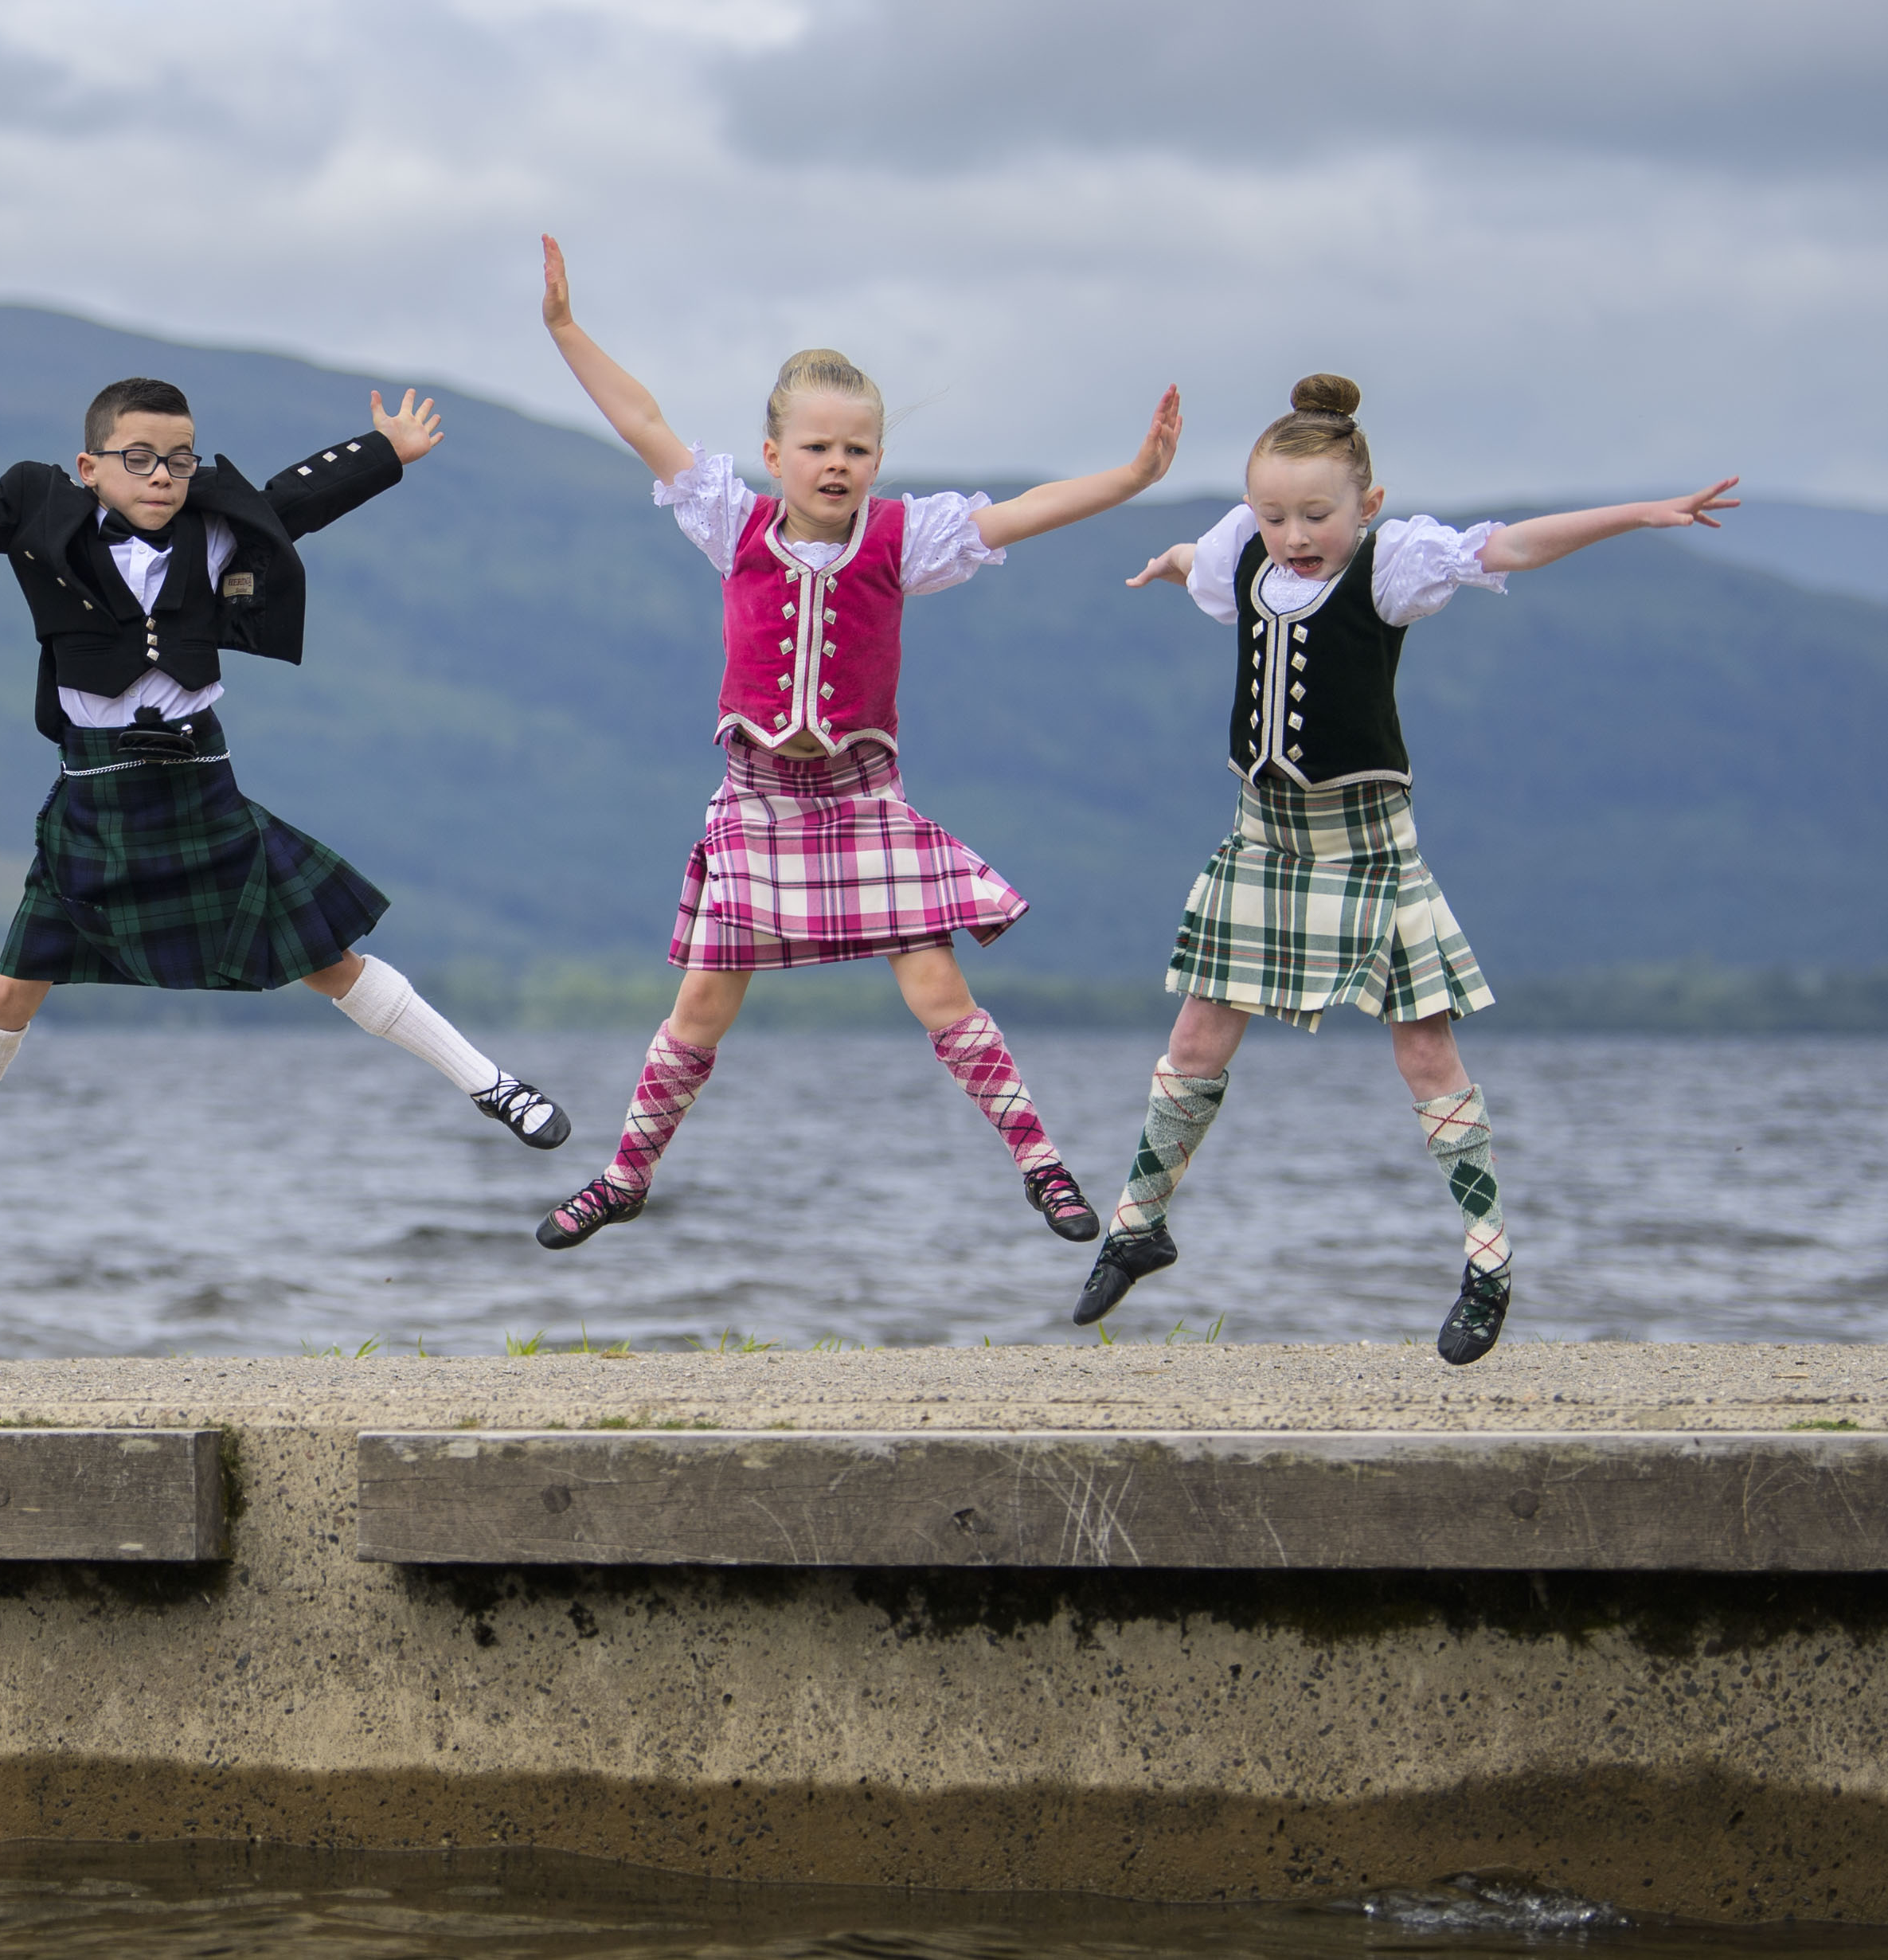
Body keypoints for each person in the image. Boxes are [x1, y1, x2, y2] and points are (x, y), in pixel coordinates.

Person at [0, 350, 571, 1253]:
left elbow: (298, 499)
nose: (163, 475)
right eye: (140, 457)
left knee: (329, 956)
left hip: (203, 786)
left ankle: (491, 1083)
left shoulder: (218, 521)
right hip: (97, 793)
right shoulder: (36, 510)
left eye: (180, 456)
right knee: (14, 987)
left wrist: (385, 450)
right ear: (91, 466)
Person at [531, 236, 1182, 1252]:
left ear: (878, 459)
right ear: (776, 451)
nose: (838, 465)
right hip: (756, 796)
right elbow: (644, 421)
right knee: (702, 999)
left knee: (937, 985)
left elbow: (1017, 516)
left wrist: (1134, 476)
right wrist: (568, 328)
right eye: (819, 447)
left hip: (864, 796)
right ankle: (624, 1176)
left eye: (858, 449)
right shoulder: (729, 523)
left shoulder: (903, 539)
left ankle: (1043, 1166)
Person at [1096, 374, 1738, 1363]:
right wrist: (1173, 555)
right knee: (1195, 1033)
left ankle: (1489, 1262)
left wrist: (1642, 514)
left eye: (1316, 513)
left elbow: (1512, 545)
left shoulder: (1396, 568)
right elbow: (1201, 561)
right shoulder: (1240, 554)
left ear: (1368, 505)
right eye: (1274, 513)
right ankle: (1138, 1226)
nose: (1294, 532)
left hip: (1369, 848)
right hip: (1263, 839)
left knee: (1425, 1053)